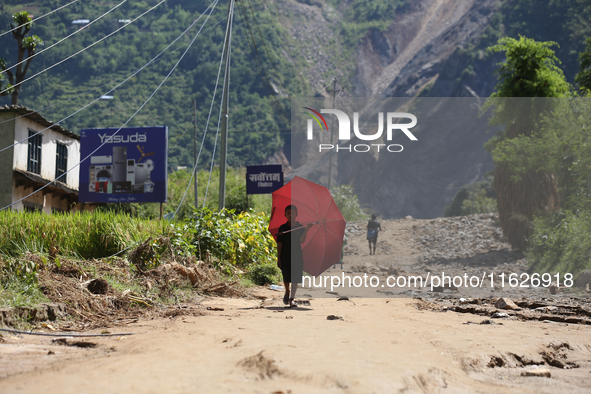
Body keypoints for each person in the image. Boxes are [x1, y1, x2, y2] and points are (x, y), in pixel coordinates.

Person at [276, 205, 311, 307]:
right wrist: (279, 258)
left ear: (296, 214)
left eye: (293, 213)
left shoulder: (300, 227)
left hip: (297, 256)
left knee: (295, 278)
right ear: (285, 215)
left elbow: (301, 240)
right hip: (285, 256)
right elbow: (280, 244)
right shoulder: (283, 228)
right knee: (286, 277)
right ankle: (287, 291)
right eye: (288, 213)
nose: (290, 215)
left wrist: (306, 229)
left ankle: (292, 298)